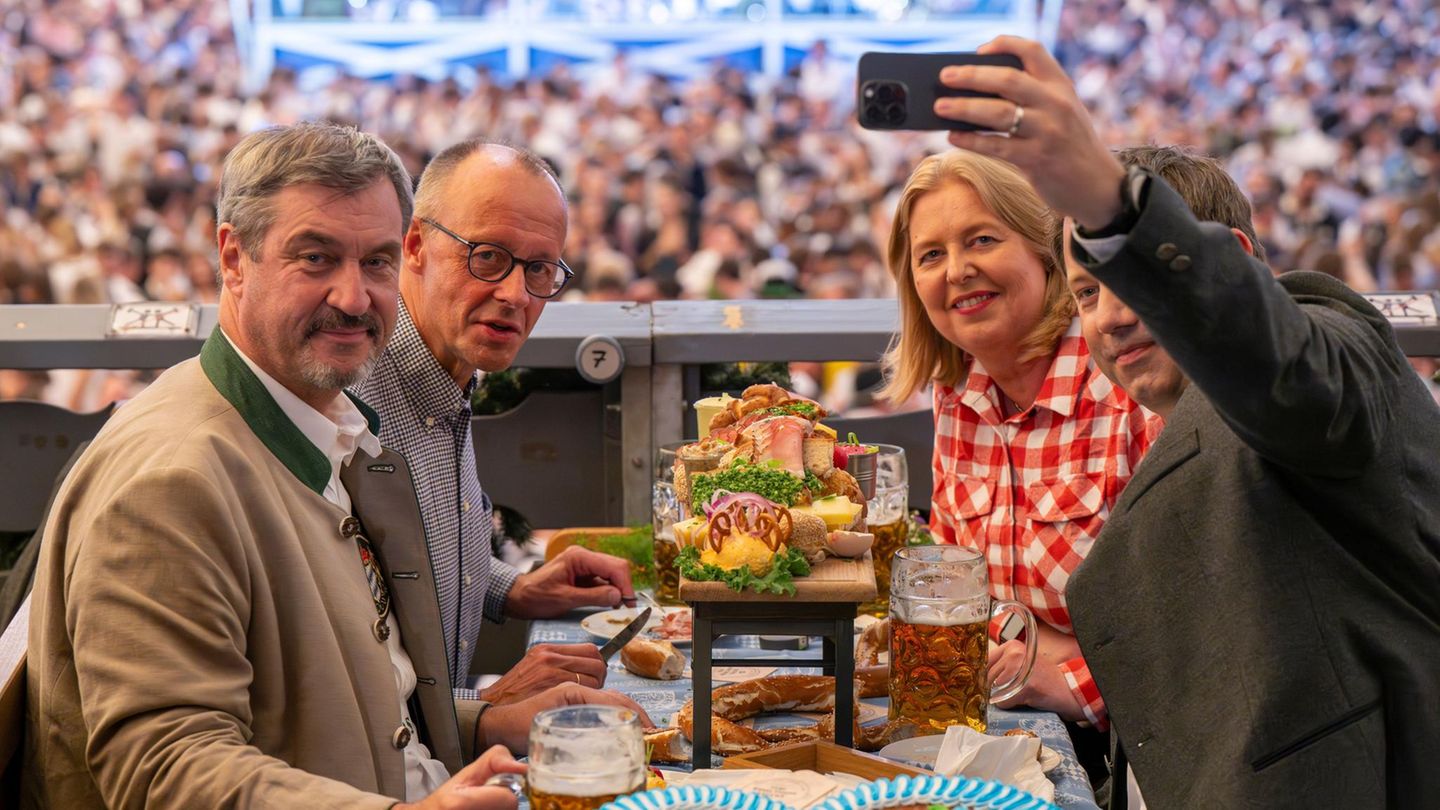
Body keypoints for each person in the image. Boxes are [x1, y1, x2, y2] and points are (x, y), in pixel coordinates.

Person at [24, 122, 647, 810]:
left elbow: (349, 704)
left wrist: (483, 721)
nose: (354, 298)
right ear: (233, 258)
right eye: (316, 258)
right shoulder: (171, 480)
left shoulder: (322, 427)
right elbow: (165, 769)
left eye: (375, 262)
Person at [936, 36, 1440, 808]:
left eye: (1127, 279)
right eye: (1087, 294)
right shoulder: (1173, 426)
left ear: (1230, 261)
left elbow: (1281, 372)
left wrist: (1112, 204)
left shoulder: (1328, 352)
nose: (1108, 319)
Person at [878, 149, 1158, 742]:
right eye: (931, 255)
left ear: (1043, 250)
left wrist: (1079, 679)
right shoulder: (957, 392)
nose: (956, 270)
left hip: (1139, 741)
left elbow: (1194, 623)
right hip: (1020, 718)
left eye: (981, 240)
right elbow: (954, 586)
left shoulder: (1127, 378)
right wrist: (1032, 639)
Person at [354, 138, 640, 705]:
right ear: (414, 245)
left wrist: (515, 588)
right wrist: (489, 709)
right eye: (488, 256)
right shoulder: (351, 406)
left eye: (539, 269)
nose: (514, 294)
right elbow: (342, 697)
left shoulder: (449, 372)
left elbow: (403, 570)